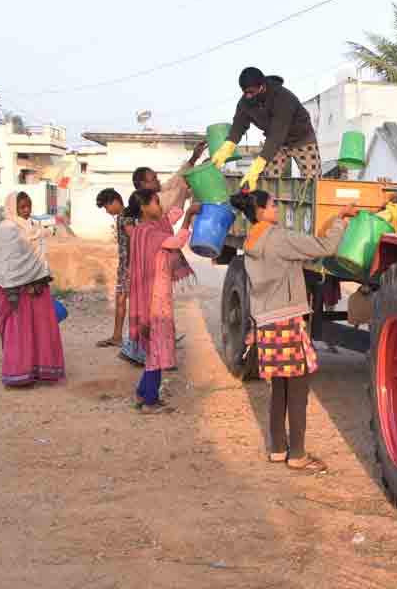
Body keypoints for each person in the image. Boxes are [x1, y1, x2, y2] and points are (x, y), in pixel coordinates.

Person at [229, 189, 355, 471]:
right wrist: (341, 219)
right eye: (274, 204)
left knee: (279, 389)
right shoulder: (279, 238)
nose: (278, 208)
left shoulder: (251, 241)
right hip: (288, 320)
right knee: (298, 390)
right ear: (261, 210)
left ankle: (277, 448)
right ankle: (297, 455)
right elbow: (325, 247)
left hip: (266, 321)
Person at [126, 189, 199, 413]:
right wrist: (188, 217)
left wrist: (185, 201)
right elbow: (176, 241)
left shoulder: (141, 230)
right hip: (155, 297)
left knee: (153, 348)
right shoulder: (150, 233)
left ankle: (142, 392)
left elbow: (167, 221)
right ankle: (149, 401)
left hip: (149, 294)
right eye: (156, 202)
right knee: (157, 346)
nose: (160, 206)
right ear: (145, 207)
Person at [0, 191, 66, 387]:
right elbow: (5, 262)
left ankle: (41, 370)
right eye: (22, 207)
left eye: (29, 206)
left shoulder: (34, 227)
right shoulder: (6, 229)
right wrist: (19, 282)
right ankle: (19, 373)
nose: (27, 210)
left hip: (36, 286)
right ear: (13, 208)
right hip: (14, 291)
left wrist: (37, 278)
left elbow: (38, 258)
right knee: (19, 331)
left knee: (40, 329)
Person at [210, 67, 320, 191]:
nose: (248, 96)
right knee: (268, 181)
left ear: (262, 86)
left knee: (314, 182)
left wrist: (257, 165)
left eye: (251, 92)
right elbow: (238, 126)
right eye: (244, 92)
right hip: (276, 144)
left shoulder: (283, 97)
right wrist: (228, 145)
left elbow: (277, 134)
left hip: (302, 139)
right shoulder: (244, 103)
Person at [95, 188, 146, 365]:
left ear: (114, 201)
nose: (107, 211)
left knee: (124, 301)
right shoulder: (126, 215)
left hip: (128, 266)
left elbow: (134, 240)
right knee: (122, 300)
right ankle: (118, 336)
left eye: (106, 207)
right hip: (126, 265)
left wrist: (131, 266)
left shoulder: (125, 216)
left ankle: (128, 339)